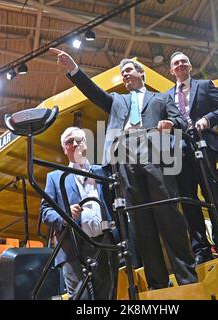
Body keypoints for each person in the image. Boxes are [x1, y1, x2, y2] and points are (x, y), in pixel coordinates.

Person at [51, 47, 198, 290]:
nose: (125, 74)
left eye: (128, 70)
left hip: (156, 157)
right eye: (122, 72)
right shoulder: (117, 100)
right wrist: (74, 70)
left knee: (169, 218)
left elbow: (182, 121)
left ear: (142, 74)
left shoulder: (161, 98)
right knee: (142, 225)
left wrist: (170, 123)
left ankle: (187, 281)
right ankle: (157, 285)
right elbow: (94, 93)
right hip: (125, 160)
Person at [166, 52, 218, 263]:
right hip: (181, 152)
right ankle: (201, 250)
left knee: (211, 194)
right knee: (188, 200)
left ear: (190, 66)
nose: (180, 64)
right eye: (176, 63)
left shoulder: (205, 85)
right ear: (171, 70)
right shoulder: (166, 96)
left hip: (205, 145)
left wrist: (207, 119)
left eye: (184, 61)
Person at [40, 127, 118, 300]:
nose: (74, 144)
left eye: (79, 140)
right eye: (69, 142)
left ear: (85, 143)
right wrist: (65, 217)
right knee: (81, 299)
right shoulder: (54, 177)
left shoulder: (102, 172)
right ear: (64, 149)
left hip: (103, 244)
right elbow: (45, 211)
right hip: (73, 249)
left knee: (107, 296)